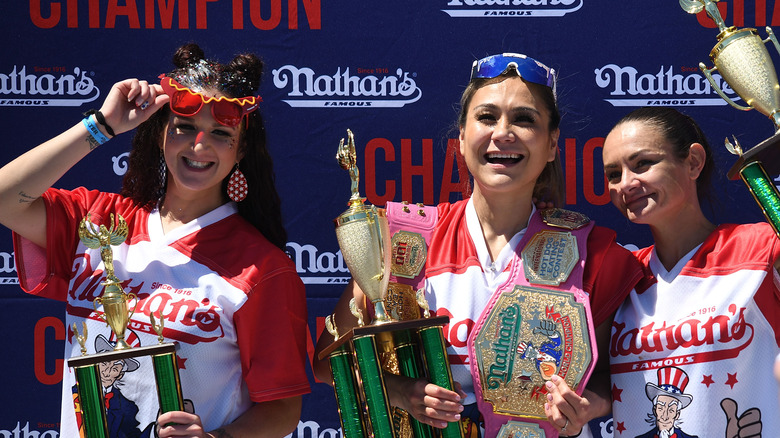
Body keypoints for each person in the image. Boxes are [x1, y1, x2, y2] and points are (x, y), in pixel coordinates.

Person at [313, 53, 644, 438]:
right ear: (461, 137)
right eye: (487, 117)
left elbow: (607, 377)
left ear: (552, 143)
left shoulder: (592, 253)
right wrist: (401, 391)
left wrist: (590, 405)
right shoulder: (401, 240)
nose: (503, 133)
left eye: (524, 119)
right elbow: (329, 364)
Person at [0, 43, 310, 437]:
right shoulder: (98, 220)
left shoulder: (262, 269)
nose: (199, 146)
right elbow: (4, 199)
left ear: (242, 149)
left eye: (220, 133)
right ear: (160, 133)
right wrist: (101, 126)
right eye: (185, 127)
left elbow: (282, 408)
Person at [602, 106, 779, 437]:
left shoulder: (761, 247)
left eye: (642, 164)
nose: (626, 183)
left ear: (693, 162)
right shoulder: (618, 274)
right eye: (613, 174)